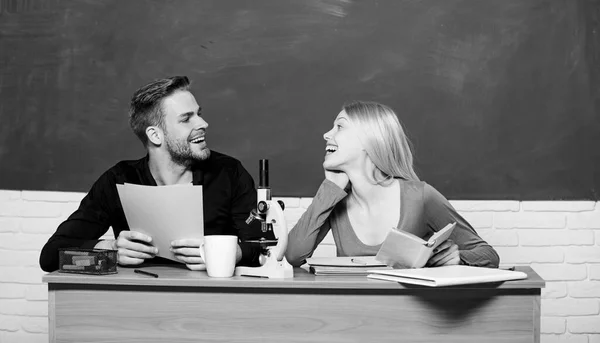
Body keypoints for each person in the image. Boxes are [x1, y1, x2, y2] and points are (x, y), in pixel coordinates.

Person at [40, 76, 270, 272]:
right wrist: (108, 252)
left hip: (214, 306)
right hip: (139, 307)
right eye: (186, 118)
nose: (203, 123)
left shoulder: (229, 173)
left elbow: (263, 248)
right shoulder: (117, 180)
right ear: (155, 135)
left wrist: (227, 254)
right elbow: (51, 258)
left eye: (199, 114)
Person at [285, 101, 499, 268]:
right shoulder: (335, 199)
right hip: (353, 314)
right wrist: (330, 188)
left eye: (339, 126)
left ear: (368, 139)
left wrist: (458, 258)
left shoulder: (419, 196)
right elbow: (294, 255)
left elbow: (488, 255)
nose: (326, 134)